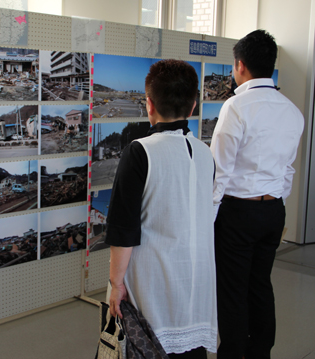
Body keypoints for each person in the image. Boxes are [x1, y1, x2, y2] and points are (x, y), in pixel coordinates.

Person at [106, 59, 217, 358]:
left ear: (149, 105)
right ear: (193, 107)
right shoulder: (207, 154)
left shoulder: (140, 151)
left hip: (153, 288)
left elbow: (124, 228)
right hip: (198, 289)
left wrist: (116, 283)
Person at [210, 30, 304, 359]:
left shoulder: (236, 107)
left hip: (237, 213)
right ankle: (260, 351)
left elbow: (219, 172)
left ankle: (233, 353)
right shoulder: (292, 110)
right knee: (260, 283)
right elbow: (288, 169)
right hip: (273, 211)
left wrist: (209, 219)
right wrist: (273, 202)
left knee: (233, 289)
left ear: (240, 66)